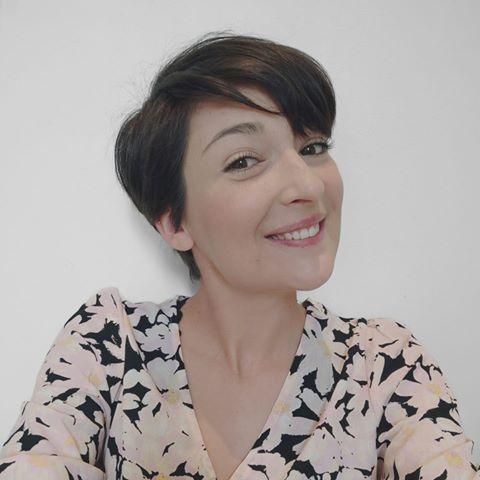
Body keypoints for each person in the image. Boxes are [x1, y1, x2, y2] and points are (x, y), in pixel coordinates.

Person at [0, 31, 478, 480]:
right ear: (174, 222)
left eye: (313, 147)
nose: (309, 185)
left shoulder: (384, 364)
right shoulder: (107, 347)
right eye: (244, 161)